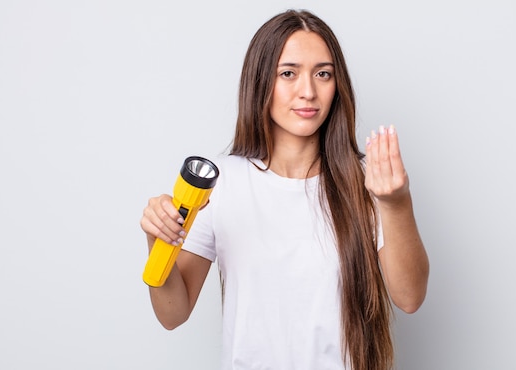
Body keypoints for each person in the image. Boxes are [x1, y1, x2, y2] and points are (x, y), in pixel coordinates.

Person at [140, 9, 429, 370]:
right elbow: (172, 314)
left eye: (323, 74)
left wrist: (396, 204)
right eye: (288, 73)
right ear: (261, 81)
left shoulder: (367, 180)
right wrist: (159, 240)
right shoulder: (222, 183)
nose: (307, 92)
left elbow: (410, 297)